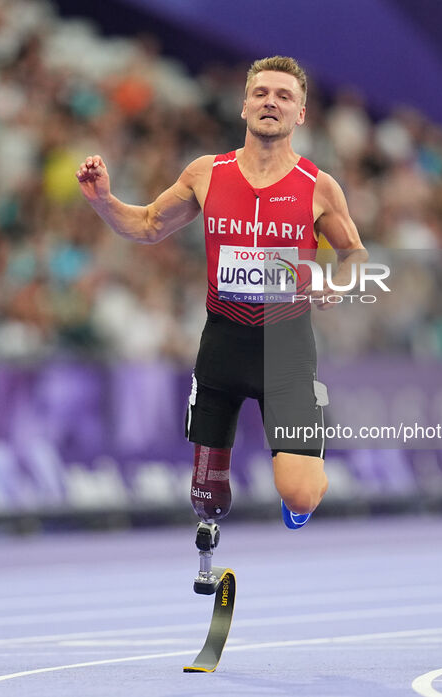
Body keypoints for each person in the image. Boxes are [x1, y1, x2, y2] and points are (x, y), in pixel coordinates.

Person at [76, 56, 367, 541]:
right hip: (222, 346)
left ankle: (306, 458)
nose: (270, 101)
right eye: (261, 93)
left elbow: (355, 255)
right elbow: (148, 225)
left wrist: (334, 284)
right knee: (207, 500)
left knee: (298, 493)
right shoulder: (207, 173)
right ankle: (212, 504)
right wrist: (104, 202)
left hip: (287, 353)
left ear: (301, 114)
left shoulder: (317, 187)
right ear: (244, 105)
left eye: (284, 96)